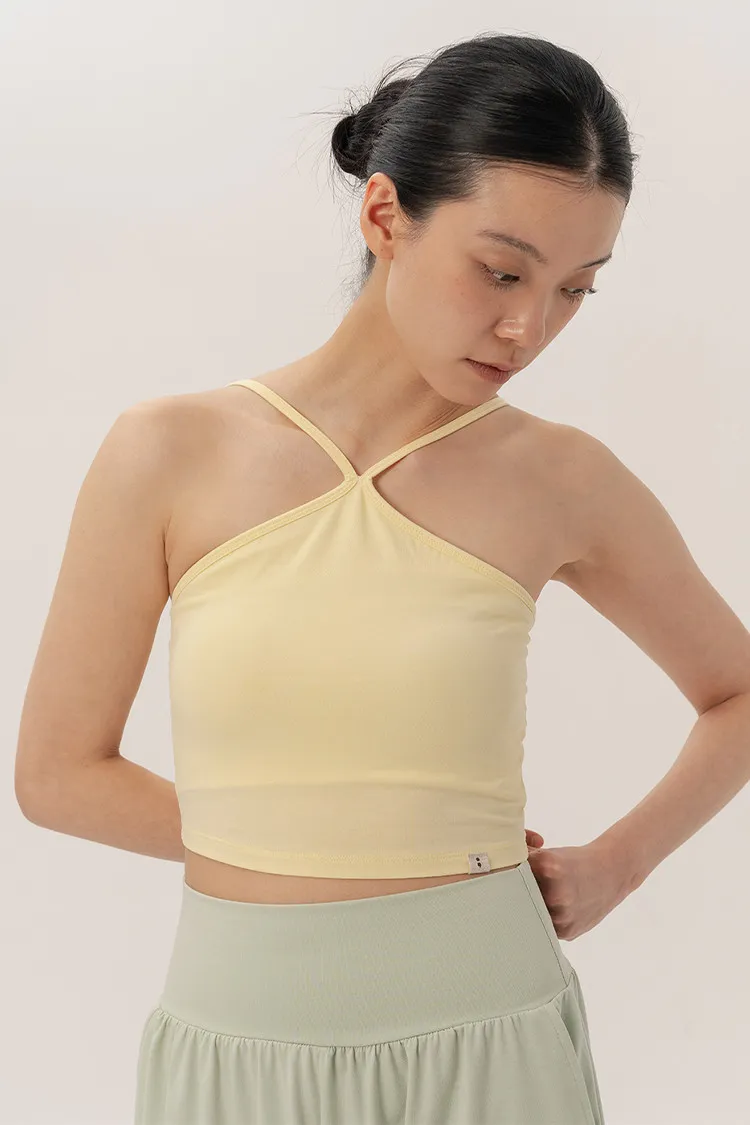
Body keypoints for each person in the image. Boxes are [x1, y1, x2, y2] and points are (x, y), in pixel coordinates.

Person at [19, 31, 640, 1125]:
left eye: (575, 290)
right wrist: (325, 838)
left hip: (492, 1036)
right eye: (502, 271)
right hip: (237, 1043)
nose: (528, 327)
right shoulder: (168, 452)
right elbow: (58, 774)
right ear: (385, 215)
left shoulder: (558, 476)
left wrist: (618, 865)